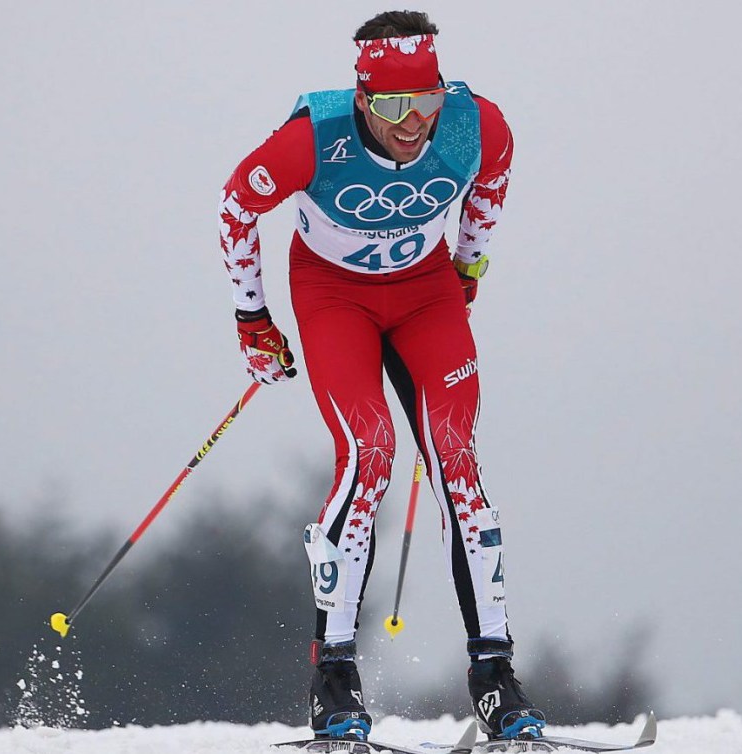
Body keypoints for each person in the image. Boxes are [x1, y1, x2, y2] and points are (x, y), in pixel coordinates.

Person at [217, 10, 546, 743]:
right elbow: (237, 205)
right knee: (371, 455)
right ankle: (334, 677)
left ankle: (494, 674)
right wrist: (253, 319)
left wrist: (468, 262)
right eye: (394, 106)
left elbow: (493, 177)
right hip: (334, 296)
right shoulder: (313, 137)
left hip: (425, 291)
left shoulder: (475, 124)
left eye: (426, 102)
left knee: (455, 455)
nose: (413, 123)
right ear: (363, 97)